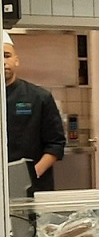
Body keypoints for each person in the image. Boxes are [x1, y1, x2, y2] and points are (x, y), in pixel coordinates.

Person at [3, 31, 66, 191]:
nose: (2, 61)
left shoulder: (39, 97)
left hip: (33, 188)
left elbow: (56, 144)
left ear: (16, 60)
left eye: (6, 55)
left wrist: (31, 175)